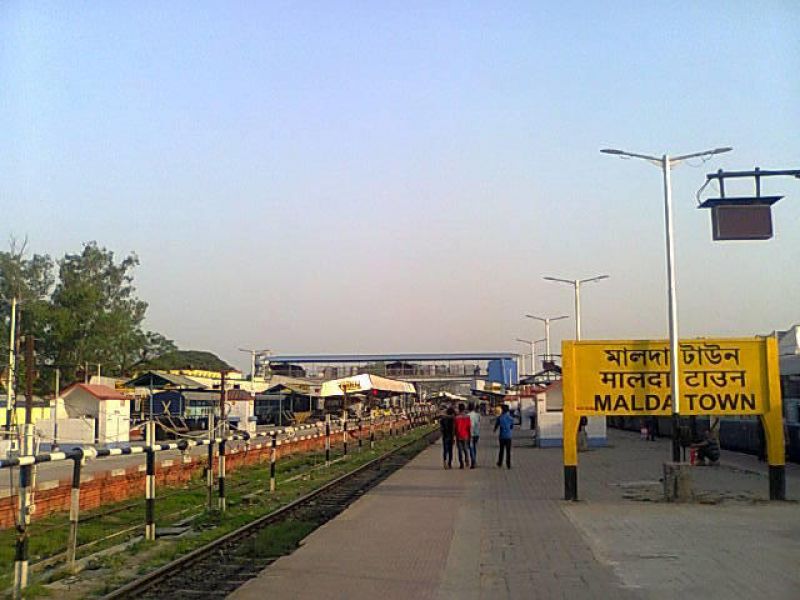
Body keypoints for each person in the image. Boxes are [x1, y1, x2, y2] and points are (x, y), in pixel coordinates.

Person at [494, 404, 514, 469]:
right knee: (508, 451)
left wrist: (494, 430)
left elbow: (496, 425)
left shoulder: (500, 417)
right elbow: (511, 426)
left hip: (502, 436)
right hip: (509, 436)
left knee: (501, 450)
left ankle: (500, 463)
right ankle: (508, 464)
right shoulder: (511, 418)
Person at [454, 403, 472, 469]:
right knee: (465, 449)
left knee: (460, 450)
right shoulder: (467, 417)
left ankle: (461, 463)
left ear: (459, 409)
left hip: (459, 435)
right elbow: (469, 427)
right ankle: (467, 461)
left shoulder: (456, 418)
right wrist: (470, 435)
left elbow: (455, 428)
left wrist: (454, 436)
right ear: (464, 409)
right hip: (466, 435)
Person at [468, 402, 480, 468]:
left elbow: (470, 425)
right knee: (474, 447)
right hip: (477, 433)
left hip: (470, 433)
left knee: (471, 447)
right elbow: (478, 422)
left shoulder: (467, 415)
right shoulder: (477, 415)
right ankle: (474, 459)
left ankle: (473, 461)